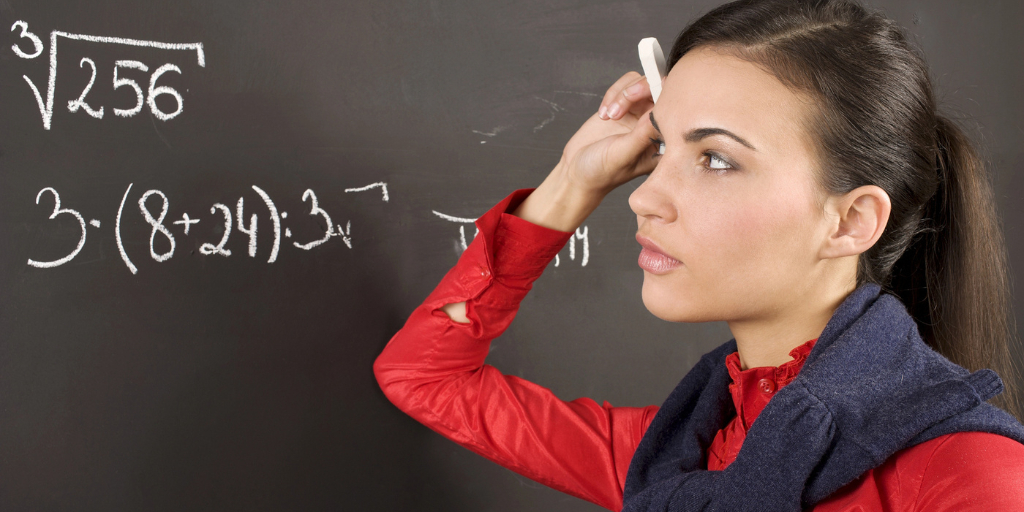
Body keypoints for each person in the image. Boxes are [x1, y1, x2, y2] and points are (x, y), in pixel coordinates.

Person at [374, 0, 1024, 510]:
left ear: (851, 222)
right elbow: (425, 379)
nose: (644, 198)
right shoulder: (677, 457)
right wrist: (573, 181)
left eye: (715, 158)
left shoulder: (966, 474)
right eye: (660, 149)